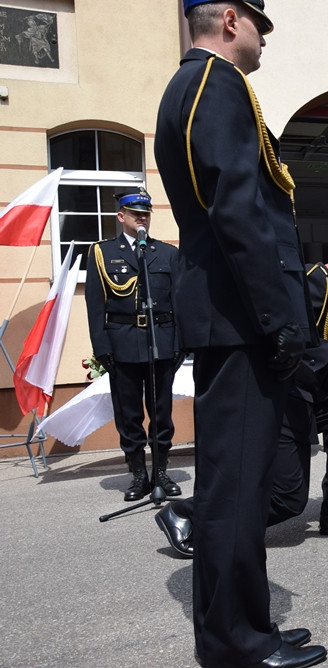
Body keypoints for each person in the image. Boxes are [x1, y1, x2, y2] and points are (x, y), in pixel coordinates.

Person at [153, 2, 326, 666]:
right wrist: (281, 323)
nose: (265, 38)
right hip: (240, 320)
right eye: (261, 23)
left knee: (245, 486)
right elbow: (238, 215)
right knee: (233, 489)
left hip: (235, 316)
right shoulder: (213, 83)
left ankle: (246, 627)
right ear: (229, 18)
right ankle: (234, 645)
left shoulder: (202, 85)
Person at [156, 243, 328, 551]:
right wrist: (327, 355)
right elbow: (284, 329)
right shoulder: (312, 280)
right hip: (285, 399)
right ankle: (186, 514)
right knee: (288, 498)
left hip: (308, 394)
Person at [84, 187, 183, 502]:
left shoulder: (167, 254)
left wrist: (181, 343)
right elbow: (95, 304)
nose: (142, 217)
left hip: (161, 343)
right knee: (128, 414)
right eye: (135, 212)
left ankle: (161, 473)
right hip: (123, 343)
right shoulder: (102, 252)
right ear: (121, 216)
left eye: (146, 213)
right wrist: (102, 348)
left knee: (161, 412)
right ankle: (139, 475)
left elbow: (180, 302)